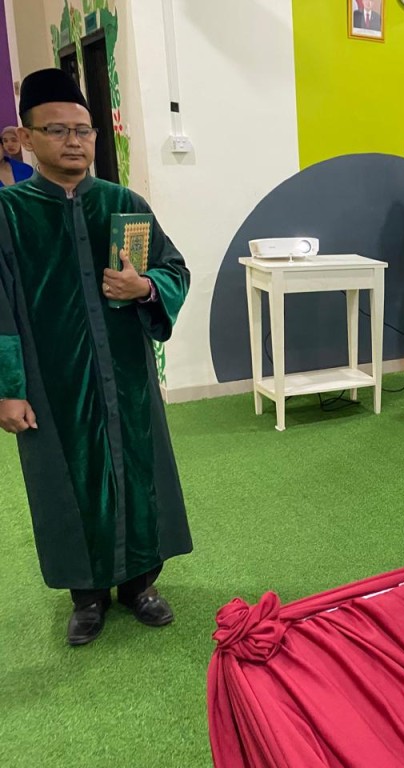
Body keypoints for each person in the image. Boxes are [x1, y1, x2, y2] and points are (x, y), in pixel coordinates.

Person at [0, 69, 192, 646]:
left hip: (125, 374)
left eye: (83, 130)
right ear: (26, 137)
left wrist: (146, 287)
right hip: (50, 380)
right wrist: (9, 388)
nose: (74, 142)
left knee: (136, 469)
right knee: (67, 480)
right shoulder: (9, 214)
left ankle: (139, 585)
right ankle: (85, 596)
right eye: (57, 130)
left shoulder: (122, 204)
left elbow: (174, 269)